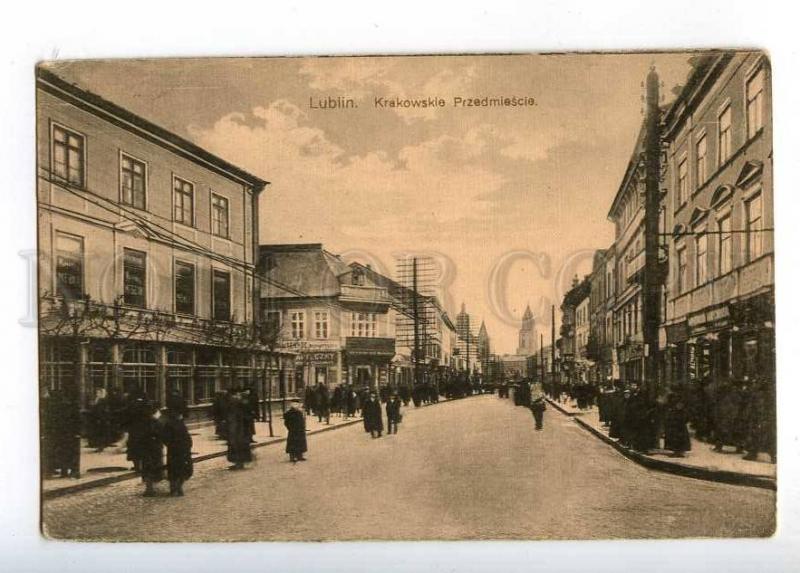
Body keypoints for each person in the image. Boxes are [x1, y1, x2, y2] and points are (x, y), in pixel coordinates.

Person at [160, 406, 193, 496]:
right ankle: (177, 488)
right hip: (179, 450)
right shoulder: (177, 424)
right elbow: (186, 437)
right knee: (181, 469)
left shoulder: (172, 424)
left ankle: (175, 488)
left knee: (175, 470)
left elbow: (165, 438)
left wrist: (171, 445)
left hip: (175, 451)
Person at [140, 403, 164, 497]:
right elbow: (160, 434)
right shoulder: (156, 422)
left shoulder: (143, 422)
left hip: (145, 448)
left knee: (147, 467)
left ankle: (149, 487)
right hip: (155, 448)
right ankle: (151, 488)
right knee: (154, 466)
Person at [226, 389, 253, 470]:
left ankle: (239, 463)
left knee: (238, 446)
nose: (236, 397)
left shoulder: (241, 404)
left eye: (237, 395)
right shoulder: (239, 404)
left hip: (240, 430)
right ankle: (238, 463)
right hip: (238, 430)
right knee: (237, 446)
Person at [663, 390, 691, 457]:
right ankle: (677, 452)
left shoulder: (682, 410)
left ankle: (679, 452)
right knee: (675, 439)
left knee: (679, 439)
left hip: (680, 426)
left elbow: (686, 418)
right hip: (676, 426)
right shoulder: (674, 407)